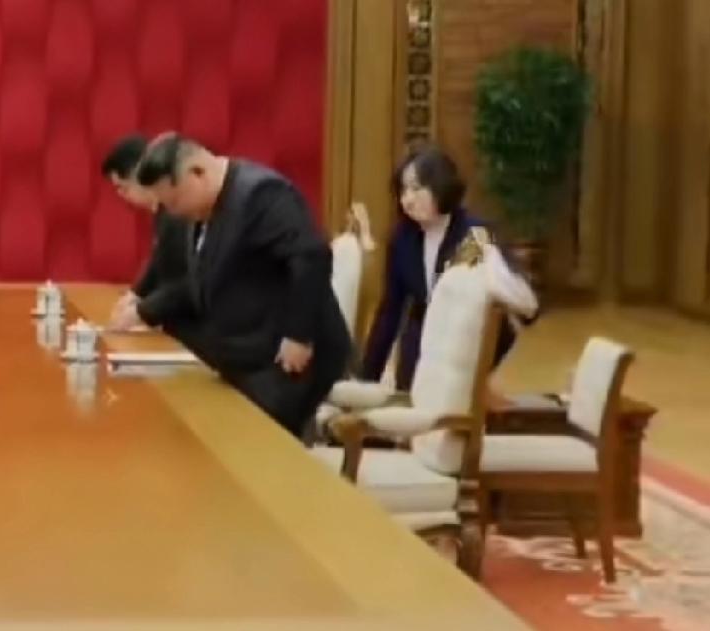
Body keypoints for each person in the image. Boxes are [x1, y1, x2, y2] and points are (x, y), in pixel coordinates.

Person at [135, 133, 352, 440]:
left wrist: (298, 335)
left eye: (175, 200)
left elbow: (311, 256)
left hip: (287, 360)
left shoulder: (261, 194)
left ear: (198, 172)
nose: (173, 212)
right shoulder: (206, 208)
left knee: (258, 448)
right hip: (247, 354)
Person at [360, 145, 537, 391]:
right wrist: (366, 380)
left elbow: (516, 304)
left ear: (440, 185)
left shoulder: (475, 235)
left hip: (464, 343)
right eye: (403, 190)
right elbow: (390, 311)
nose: (407, 200)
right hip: (419, 348)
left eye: (416, 189)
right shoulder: (402, 238)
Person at [99, 134, 192, 331]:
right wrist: (135, 294)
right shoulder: (162, 212)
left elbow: (185, 280)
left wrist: (141, 311)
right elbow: (157, 261)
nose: (121, 196)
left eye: (122, 188)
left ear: (138, 175)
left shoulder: (177, 212)